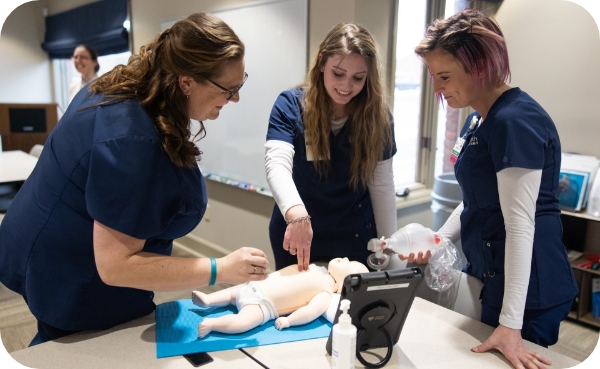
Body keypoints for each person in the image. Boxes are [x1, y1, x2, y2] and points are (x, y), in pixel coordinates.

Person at [0, 13, 269, 346]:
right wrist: (220, 268)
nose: (235, 98)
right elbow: (116, 266)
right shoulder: (132, 141)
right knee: (70, 350)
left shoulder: (130, 87)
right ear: (186, 82)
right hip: (71, 271)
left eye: (240, 85)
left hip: (51, 242)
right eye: (229, 90)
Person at [413, 9, 578, 369]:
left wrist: (510, 325)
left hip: (529, 290)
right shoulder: (477, 118)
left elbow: (521, 226)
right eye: (432, 76)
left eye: (444, 76)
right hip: (493, 274)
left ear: (481, 67)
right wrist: (439, 239)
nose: (437, 89)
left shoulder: (515, 121)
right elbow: (474, 199)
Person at [265, 23, 397, 272]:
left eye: (358, 78)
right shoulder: (291, 106)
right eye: (338, 73)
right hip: (299, 233)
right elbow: (277, 164)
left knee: (349, 307)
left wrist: (388, 244)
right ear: (321, 62)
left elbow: (381, 184)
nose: (346, 86)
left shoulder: (378, 118)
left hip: (354, 236)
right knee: (298, 305)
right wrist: (297, 214)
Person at [191, 257, 368, 337]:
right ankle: (209, 299)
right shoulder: (314, 266)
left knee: (243, 322)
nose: (345, 257)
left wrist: (289, 320)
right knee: (232, 293)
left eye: (349, 263)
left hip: (263, 305)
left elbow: (310, 311)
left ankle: (213, 324)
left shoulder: (326, 294)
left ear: (343, 286)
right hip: (257, 285)